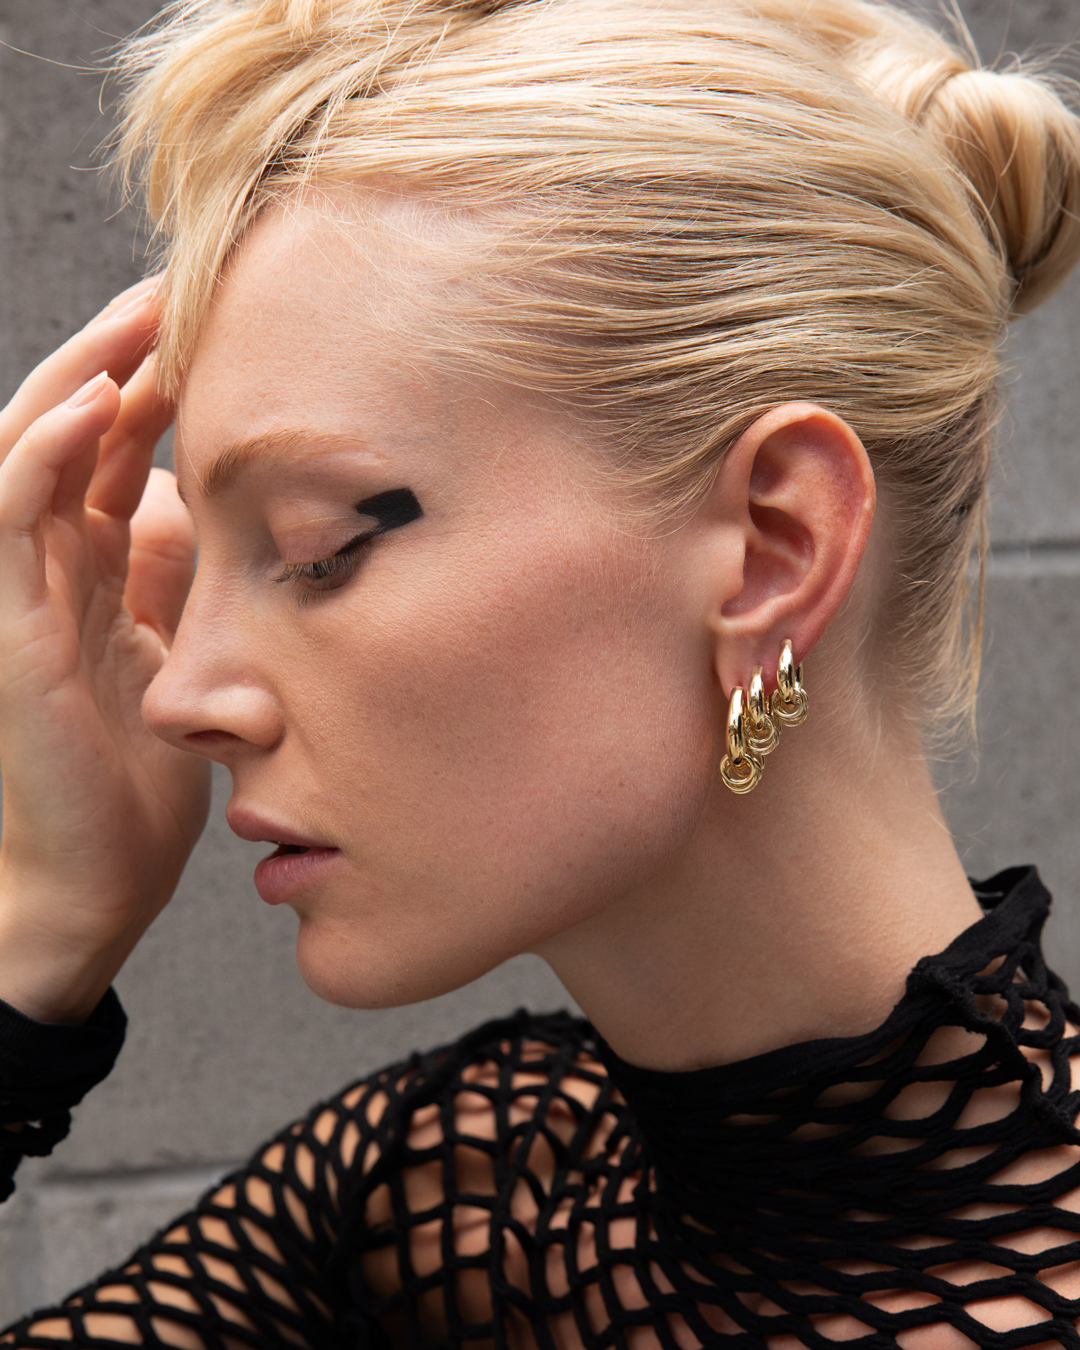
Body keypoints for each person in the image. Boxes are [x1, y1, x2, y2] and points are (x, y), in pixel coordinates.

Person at [1, 0, 1079, 1343]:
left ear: (772, 548)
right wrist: (35, 938)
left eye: (321, 548)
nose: (181, 695)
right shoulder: (444, 1200)